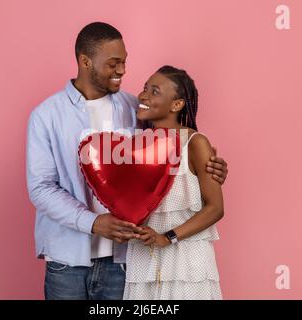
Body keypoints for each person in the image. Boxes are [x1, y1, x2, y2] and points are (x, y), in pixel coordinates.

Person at [26, 22, 228, 300]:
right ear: (85, 62)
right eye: (113, 63)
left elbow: (172, 155)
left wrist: (211, 168)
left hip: (124, 261)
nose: (122, 71)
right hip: (67, 261)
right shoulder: (46, 116)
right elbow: (41, 188)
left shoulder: (136, 110)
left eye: (124, 62)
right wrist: (93, 223)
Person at [123, 66, 223, 300]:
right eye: (145, 88)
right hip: (144, 258)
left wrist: (167, 237)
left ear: (177, 105)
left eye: (154, 91)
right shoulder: (135, 144)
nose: (143, 96)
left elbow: (215, 207)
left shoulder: (195, 144)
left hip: (187, 261)